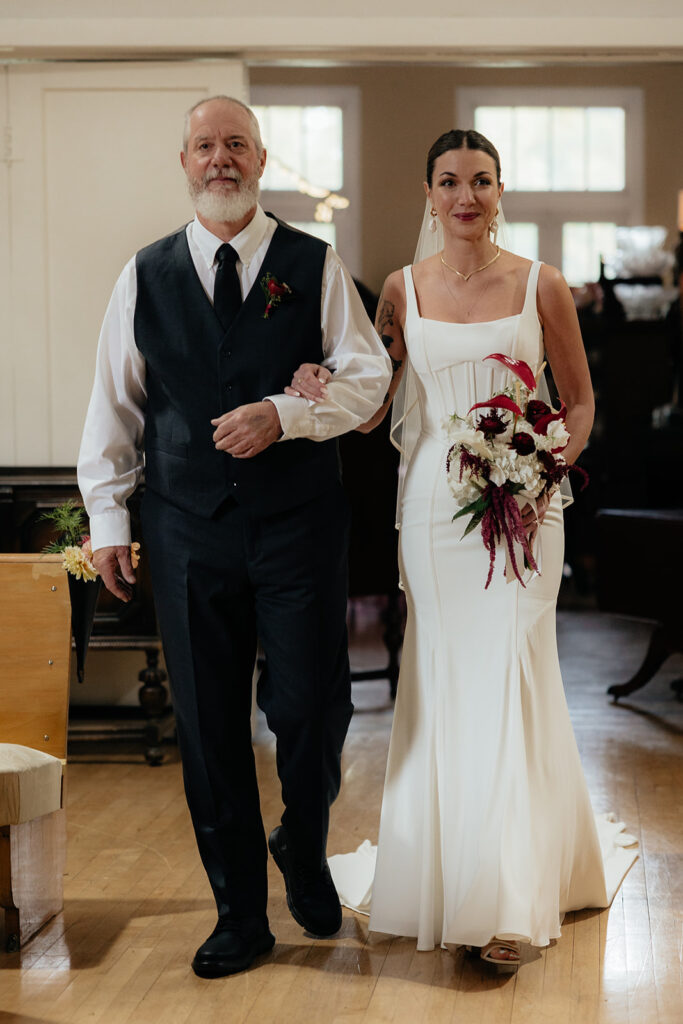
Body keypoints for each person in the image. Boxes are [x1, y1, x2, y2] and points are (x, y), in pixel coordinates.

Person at [286, 129, 637, 971]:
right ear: (428, 193)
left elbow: (580, 401)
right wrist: (320, 388)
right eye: (449, 182)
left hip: (526, 506)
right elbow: (376, 410)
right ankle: (451, 869)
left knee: (512, 669)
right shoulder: (400, 293)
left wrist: (542, 472)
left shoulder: (540, 284)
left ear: (499, 189)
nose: (465, 197)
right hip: (435, 512)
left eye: (480, 181)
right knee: (448, 679)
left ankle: (511, 901)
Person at [77, 95, 391, 978]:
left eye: (237, 146)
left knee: (313, 707)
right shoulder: (142, 274)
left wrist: (287, 413)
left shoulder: (314, 264)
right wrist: (109, 518)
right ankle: (238, 915)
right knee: (210, 727)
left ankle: (302, 836)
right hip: (184, 528)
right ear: (184, 162)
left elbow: (367, 381)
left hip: (296, 526)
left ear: (261, 161)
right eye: (206, 146)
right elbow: (113, 405)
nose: (221, 159)